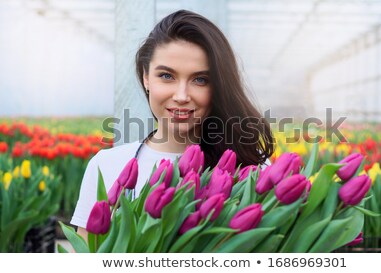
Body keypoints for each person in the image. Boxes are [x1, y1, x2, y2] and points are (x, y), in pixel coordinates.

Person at [71, 10, 274, 240]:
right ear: (146, 77)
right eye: (167, 76)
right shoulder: (106, 166)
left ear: (218, 86)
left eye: (200, 79)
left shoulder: (250, 166)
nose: (181, 95)